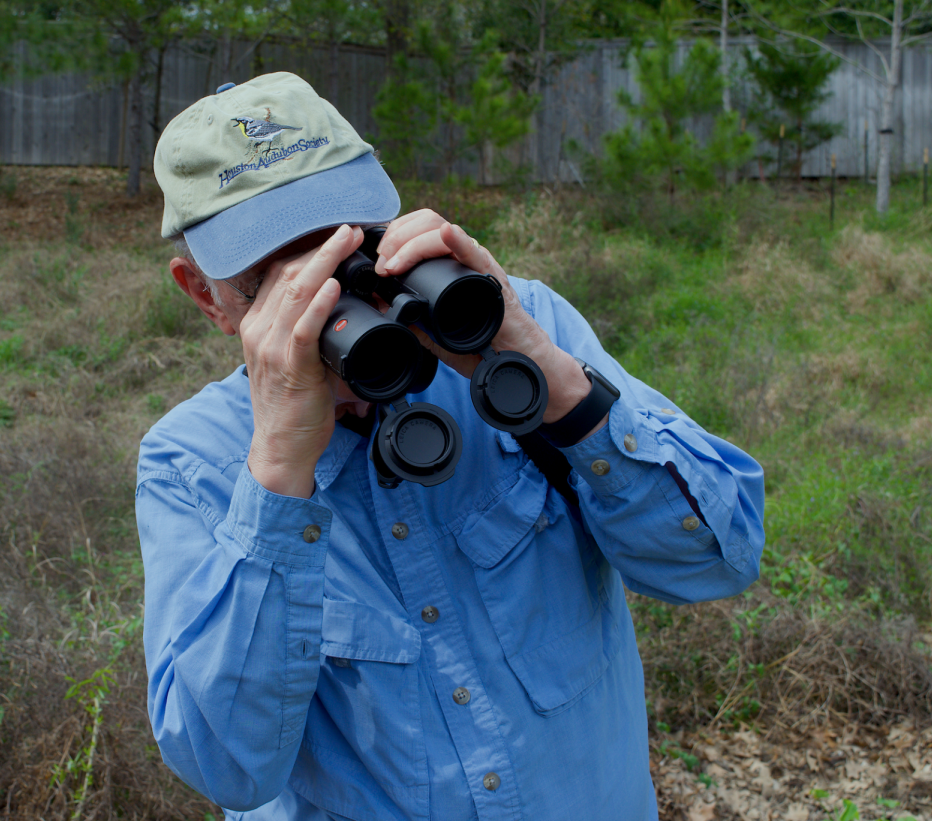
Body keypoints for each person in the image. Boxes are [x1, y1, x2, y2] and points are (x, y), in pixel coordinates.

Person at [136, 72, 764, 821]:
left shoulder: (519, 331)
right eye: (282, 283)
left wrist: (549, 377)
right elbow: (227, 767)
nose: (328, 302)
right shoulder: (189, 463)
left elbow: (721, 557)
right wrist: (276, 474)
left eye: (349, 256)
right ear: (205, 294)